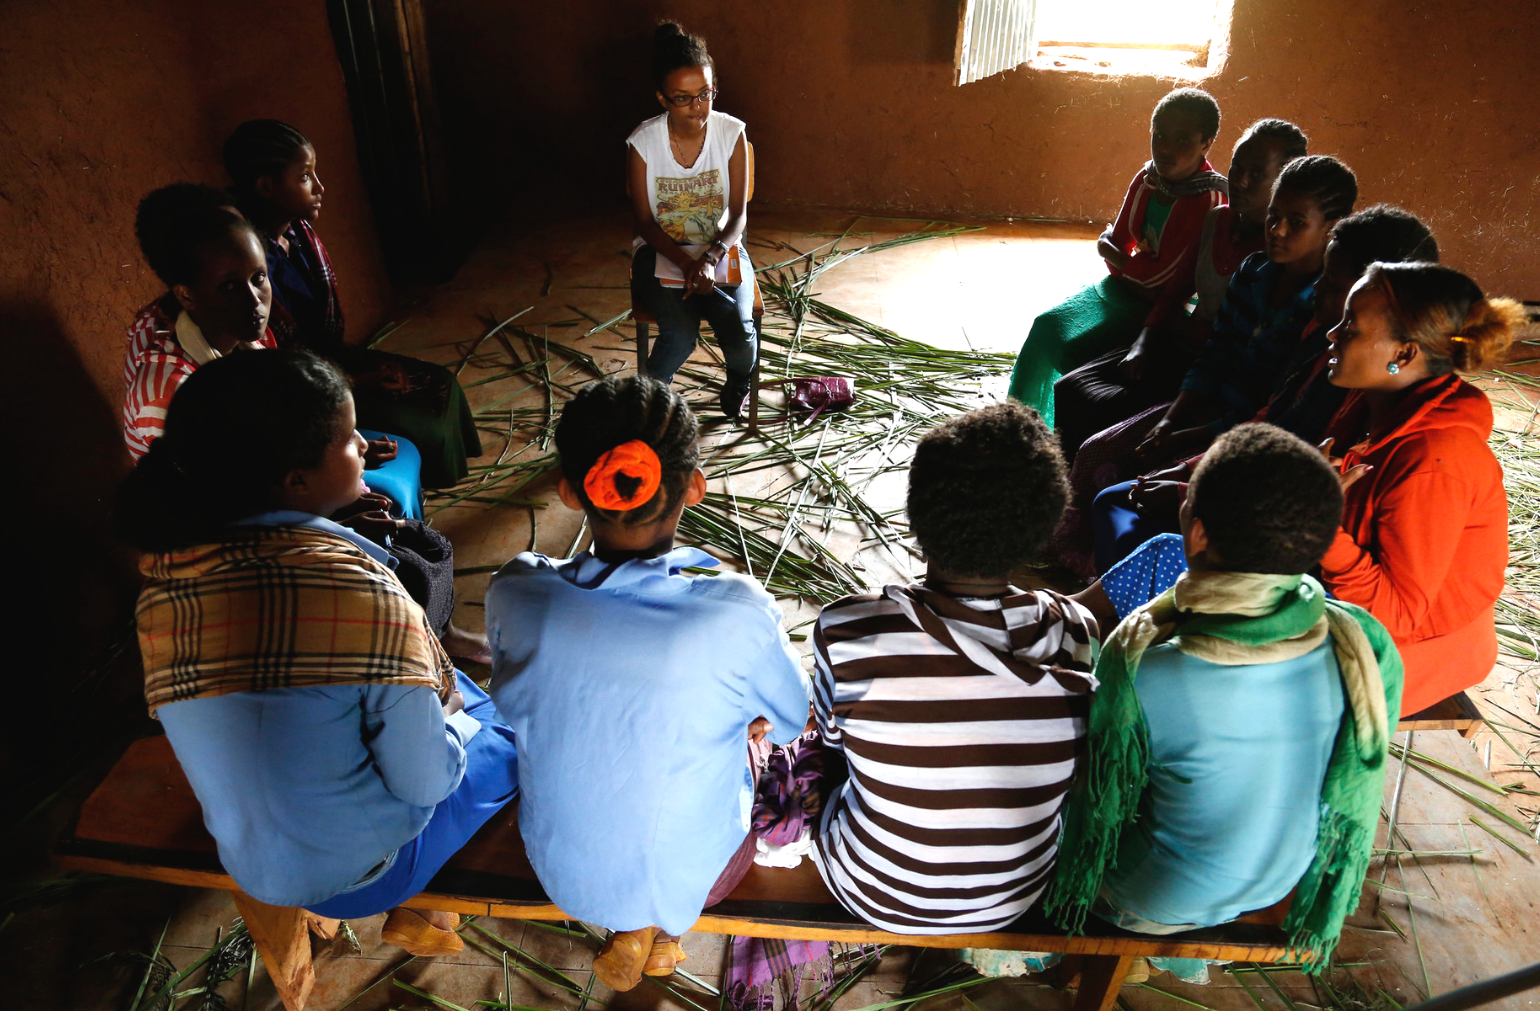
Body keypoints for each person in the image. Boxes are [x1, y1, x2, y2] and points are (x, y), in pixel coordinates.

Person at [120, 351, 519, 957]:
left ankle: (425, 906)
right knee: (507, 728)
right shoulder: (359, 594)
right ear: (295, 481)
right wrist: (448, 717)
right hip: (366, 875)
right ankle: (422, 904)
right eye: (347, 436)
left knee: (418, 695)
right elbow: (426, 781)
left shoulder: (167, 589)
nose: (364, 443)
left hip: (258, 866)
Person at [484, 374, 809, 990]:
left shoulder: (517, 591)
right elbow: (791, 720)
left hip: (561, 874)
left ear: (570, 494)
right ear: (694, 488)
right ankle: (657, 932)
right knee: (757, 738)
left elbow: (511, 697)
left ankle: (639, 930)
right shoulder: (736, 609)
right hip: (703, 879)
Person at [1047, 424, 1403, 974]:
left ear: (1199, 535)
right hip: (1281, 876)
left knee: (1038, 784)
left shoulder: (1148, 669)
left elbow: (1096, 791)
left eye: (1186, 500)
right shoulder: (1359, 640)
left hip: (1154, 896)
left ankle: (1087, 947)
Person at [811, 402, 1099, 933]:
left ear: (916, 515)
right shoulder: (1074, 631)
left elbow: (832, 746)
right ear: (1045, 528)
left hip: (872, 891)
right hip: (1010, 897)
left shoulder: (848, 631)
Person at [1091, 206, 1439, 574]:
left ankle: (1153, 614)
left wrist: (1189, 491)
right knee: (1117, 497)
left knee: (1123, 509)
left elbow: (1291, 492)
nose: (1318, 288)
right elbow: (1270, 423)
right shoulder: (1324, 342)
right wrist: (1191, 468)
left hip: (1271, 537)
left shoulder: (1369, 396)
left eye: (1335, 284)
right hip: (1253, 490)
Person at [223, 119, 483, 487]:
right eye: (305, 177)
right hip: (307, 394)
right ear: (266, 186)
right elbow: (283, 370)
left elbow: (322, 337)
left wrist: (366, 364)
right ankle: (431, 485)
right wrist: (360, 380)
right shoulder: (252, 263)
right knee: (423, 423)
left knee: (441, 384)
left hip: (332, 362)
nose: (320, 187)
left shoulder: (297, 234)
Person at [1319, 262, 1521, 715]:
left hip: (1411, 650)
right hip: (1356, 608)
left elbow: (1397, 617)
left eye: (1350, 324)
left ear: (1404, 355)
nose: (1333, 333)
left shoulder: (1433, 460)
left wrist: (1322, 528)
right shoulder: (1370, 404)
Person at [1053, 119, 1308, 462]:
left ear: (1284, 181)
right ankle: (1063, 480)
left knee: (1106, 407)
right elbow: (1175, 292)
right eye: (1237, 167)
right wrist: (1143, 344)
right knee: (1070, 387)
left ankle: (1080, 486)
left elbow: (1236, 351)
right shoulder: (1217, 220)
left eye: (1257, 174)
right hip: (1180, 342)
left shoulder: (1277, 249)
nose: (1241, 181)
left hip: (1211, 366)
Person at [1008, 88, 1228, 426]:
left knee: (1077, 353)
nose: (1166, 149)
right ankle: (1019, 425)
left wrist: (1117, 258)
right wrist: (1127, 264)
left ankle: (1065, 438)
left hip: (1169, 308)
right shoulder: (1148, 178)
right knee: (1047, 326)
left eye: (1182, 140)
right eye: (1159, 136)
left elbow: (1159, 278)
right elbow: (1124, 245)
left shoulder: (1208, 198)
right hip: (1127, 290)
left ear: (1206, 144)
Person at [1133, 155, 1358, 466]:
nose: (1277, 231)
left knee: (1135, 477)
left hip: (1248, 436)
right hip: (1206, 407)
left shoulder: (1322, 308)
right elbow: (1215, 353)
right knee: (1101, 449)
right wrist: (1171, 421)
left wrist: (1186, 436)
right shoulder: (1252, 270)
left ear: (1330, 229)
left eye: (1296, 222)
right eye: (1272, 216)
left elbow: (1274, 402)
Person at [626, 22, 756, 418]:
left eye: (705, 93)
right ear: (662, 98)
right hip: (662, 253)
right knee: (679, 337)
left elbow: (737, 213)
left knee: (739, 335)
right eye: (683, 98)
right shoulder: (643, 142)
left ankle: (737, 385)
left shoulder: (731, 132)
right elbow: (645, 222)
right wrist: (687, 264)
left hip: (721, 250)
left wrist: (711, 257)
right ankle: (652, 405)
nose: (698, 106)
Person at [122, 184, 277, 460]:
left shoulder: (246, 333)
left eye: (258, 278)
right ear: (185, 293)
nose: (254, 301)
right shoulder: (169, 396)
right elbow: (218, 492)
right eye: (229, 286)